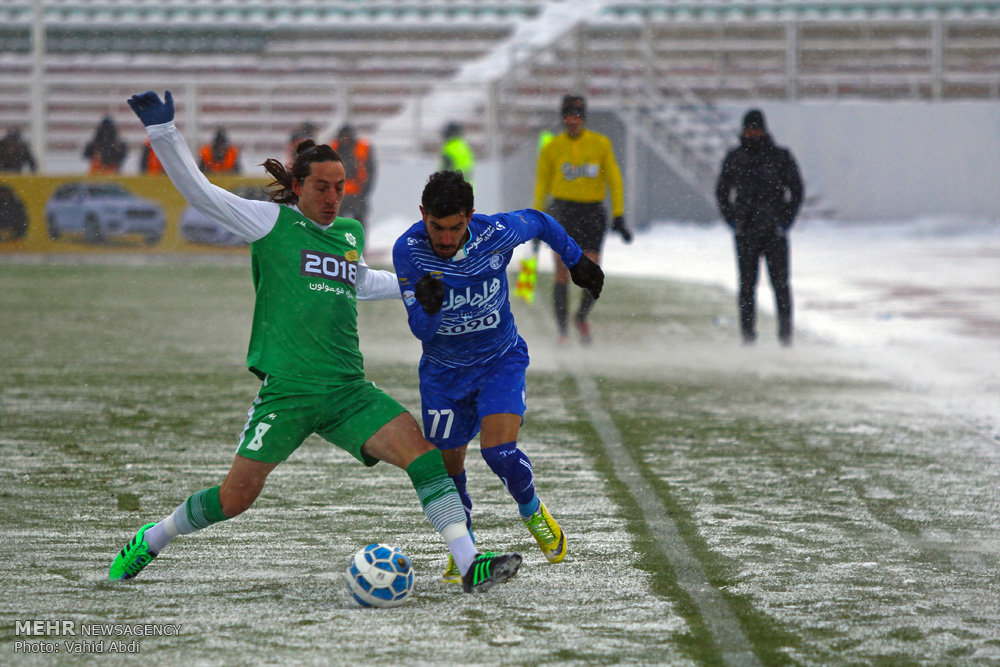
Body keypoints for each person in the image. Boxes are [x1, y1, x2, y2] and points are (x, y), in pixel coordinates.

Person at [110, 90, 522, 595]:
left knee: (426, 458)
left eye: (340, 187)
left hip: (349, 391)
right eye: (322, 188)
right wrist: (163, 133)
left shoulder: (348, 232)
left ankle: (470, 563)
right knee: (234, 498)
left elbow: (361, 282)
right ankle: (152, 539)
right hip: (289, 392)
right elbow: (200, 194)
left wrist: (413, 286)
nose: (332, 198)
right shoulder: (270, 222)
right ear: (299, 187)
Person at [392, 170, 604, 582]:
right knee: (449, 471)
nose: (446, 238)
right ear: (423, 215)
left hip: (499, 360)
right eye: (437, 227)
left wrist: (576, 260)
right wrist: (430, 308)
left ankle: (532, 510)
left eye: (456, 228)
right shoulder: (409, 251)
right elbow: (421, 331)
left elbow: (541, 221)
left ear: (470, 217)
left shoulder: (496, 234)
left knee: (499, 453)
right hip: (443, 376)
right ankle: (465, 548)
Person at [533, 94, 631, 345]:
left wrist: (619, 214)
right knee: (562, 270)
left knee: (591, 269)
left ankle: (581, 317)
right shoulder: (551, 148)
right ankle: (563, 333)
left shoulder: (600, 144)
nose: (572, 121)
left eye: (576, 116)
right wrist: (536, 219)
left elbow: (614, 179)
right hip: (563, 212)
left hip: (592, 212)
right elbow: (541, 185)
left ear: (583, 118)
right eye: (567, 115)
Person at [715, 108, 804, 346]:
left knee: (781, 286)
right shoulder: (735, 158)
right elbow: (722, 192)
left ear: (764, 129)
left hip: (774, 232)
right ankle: (747, 337)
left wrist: (784, 221)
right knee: (746, 287)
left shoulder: (780, 156)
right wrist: (734, 221)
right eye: (749, 129)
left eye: (756, 129)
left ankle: (785, 337)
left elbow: (796, 190)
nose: (752, 133)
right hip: (746, 232)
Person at [331, 124, 375, 230]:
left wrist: (365, 191)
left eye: (347, 136)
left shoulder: (363, 148)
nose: (345, 139)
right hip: (337, 195)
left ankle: (358, 245)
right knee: (335, 224)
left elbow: (370, 170)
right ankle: (338, 245)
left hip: (357, 192)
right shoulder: (332, 148)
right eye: (343, 136)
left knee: (358, 224)